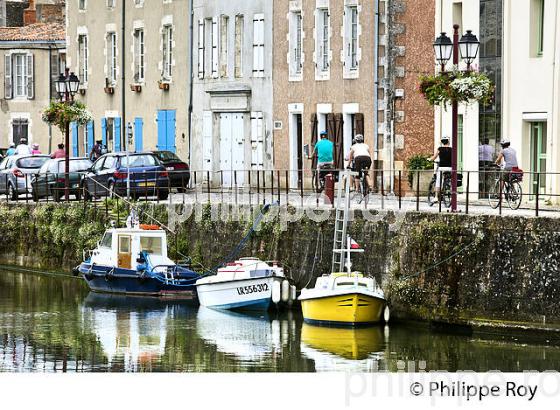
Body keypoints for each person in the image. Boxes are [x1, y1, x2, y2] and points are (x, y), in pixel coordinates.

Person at [429, 137, 453, 205]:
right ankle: (449, 187)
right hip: (450, 168)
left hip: (442, 167)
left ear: (442, 142)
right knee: (450, 178)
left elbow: (434, 157)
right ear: (448, 142)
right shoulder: (452, 149)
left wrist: (429, 159)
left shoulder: (440, 149)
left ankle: (436, 197)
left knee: (438, 181)